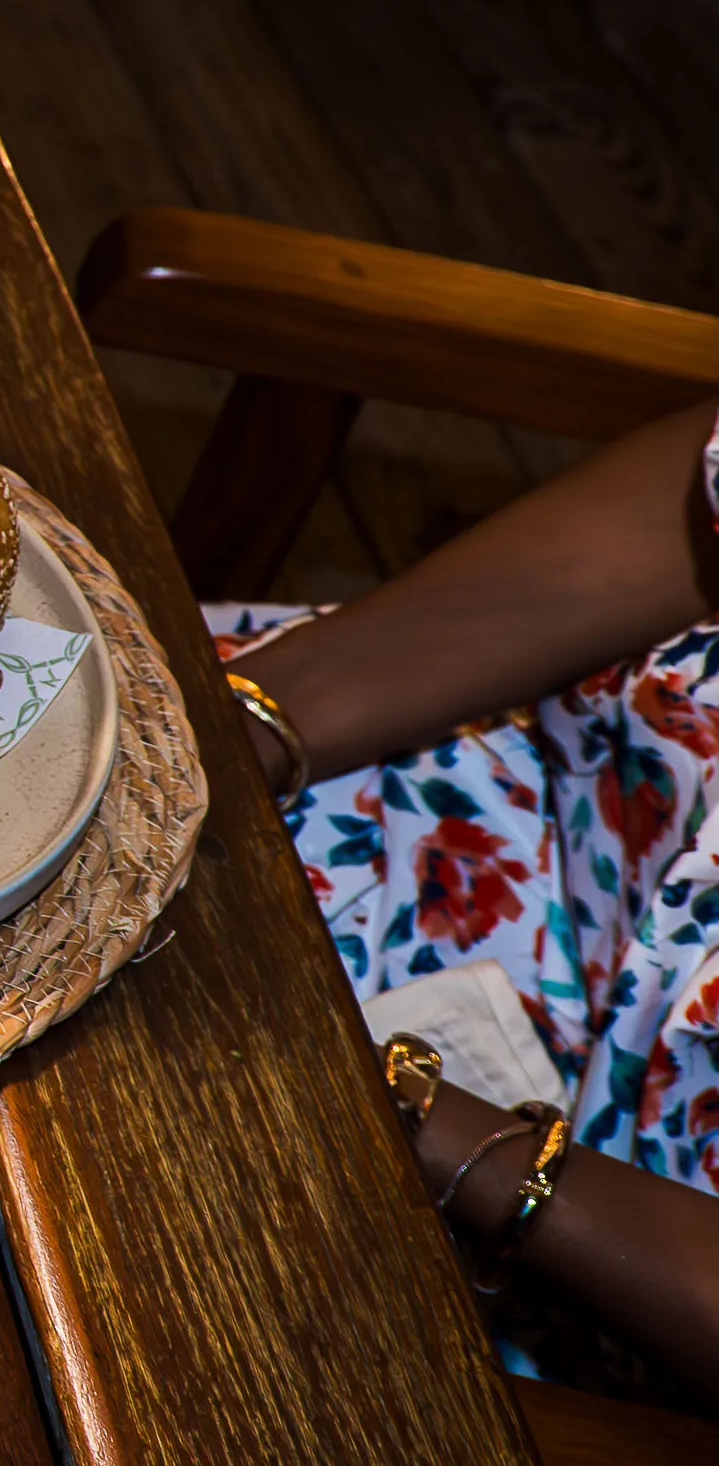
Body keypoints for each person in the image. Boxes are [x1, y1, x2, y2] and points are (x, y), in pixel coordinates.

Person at [218, 402, 719, 1399]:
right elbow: (689, 502)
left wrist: (414, 1124)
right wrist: (239, 730)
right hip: (474, 746)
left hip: (573, 1251)